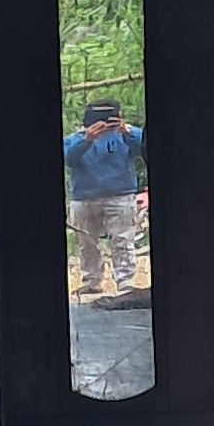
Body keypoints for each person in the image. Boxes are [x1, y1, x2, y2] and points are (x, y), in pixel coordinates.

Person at [64, 94, 147, 297]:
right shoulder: (75, 139)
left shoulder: (128, 134)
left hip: (120, 195)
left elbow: (145, 149)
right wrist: (87, 139)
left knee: (122, 241)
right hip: (83, 197)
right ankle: (91, 281)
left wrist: (126, 131)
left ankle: (125, 282)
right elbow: (68, 159)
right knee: (86, 243)